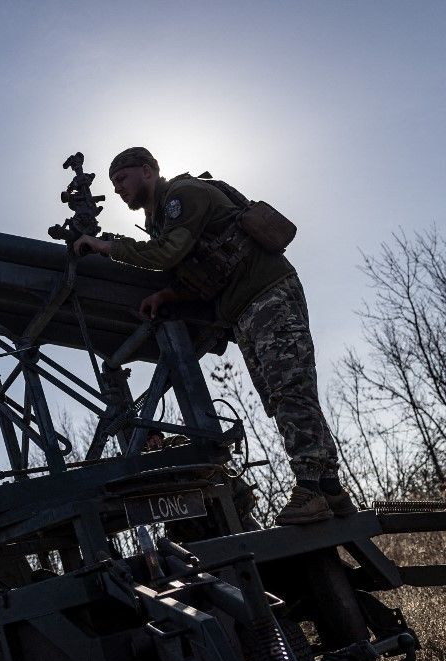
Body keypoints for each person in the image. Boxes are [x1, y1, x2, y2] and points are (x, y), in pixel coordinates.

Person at [73, 147, 355, 525]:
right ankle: (330, 489)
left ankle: (312, 488)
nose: (118, 189)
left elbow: (168, 253)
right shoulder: (161, 219)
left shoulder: (182, 196)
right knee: (279, 395)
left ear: (147, 170)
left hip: (267, 291)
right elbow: (204, 272)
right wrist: (168, 295)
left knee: (290, 388)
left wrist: (107, 246)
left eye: (122, 179)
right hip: (243, 309)